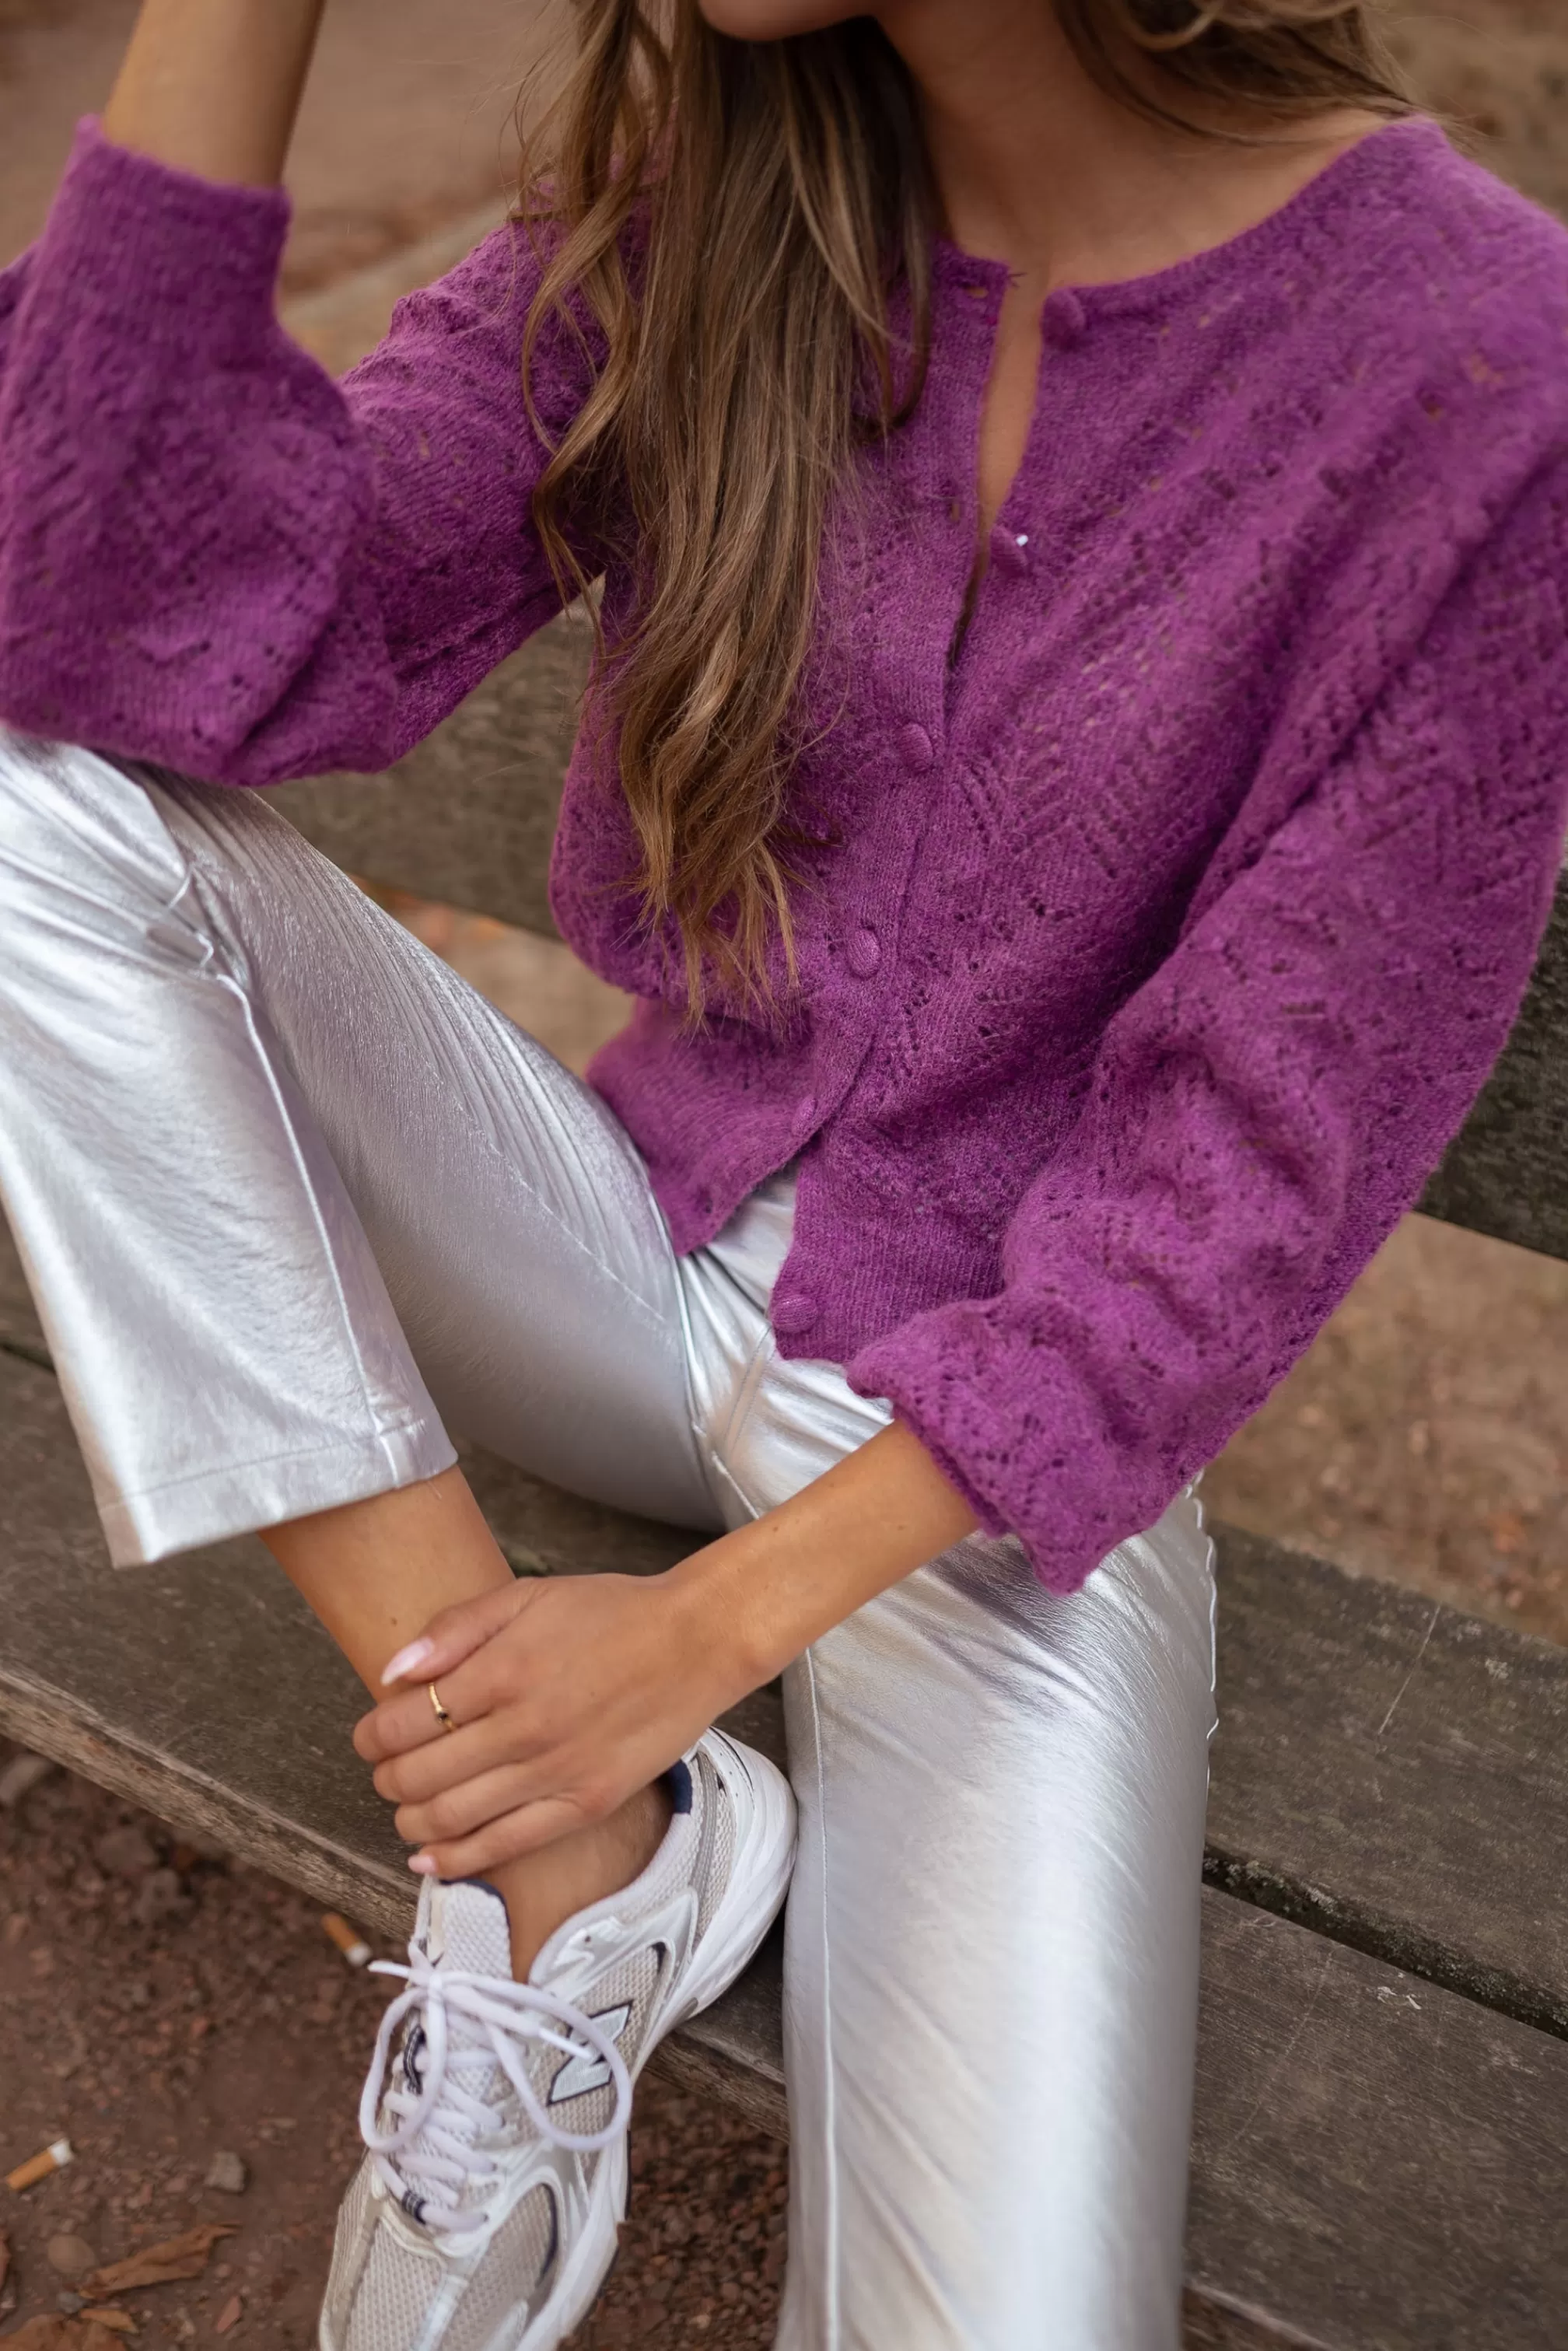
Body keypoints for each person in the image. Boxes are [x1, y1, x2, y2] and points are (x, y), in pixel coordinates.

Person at [1, 0, 1566, 2339]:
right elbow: (109, 628)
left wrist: (701, 1637)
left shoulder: (1481, 364)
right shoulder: (705, 209)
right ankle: (557, 1864)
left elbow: (1243, 1178)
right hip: (607, 1244)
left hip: (982, 1469)